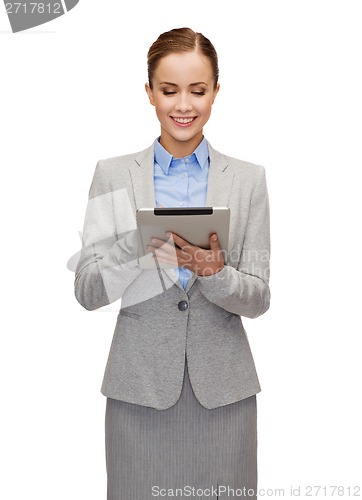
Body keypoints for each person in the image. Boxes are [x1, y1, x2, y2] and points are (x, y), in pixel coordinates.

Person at [74, 27, 270, 500]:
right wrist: (135, 253)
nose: (184, 104)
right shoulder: (114, 174)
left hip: (223, 397)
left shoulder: (247, 180)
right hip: (138, 393)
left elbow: (260, 296)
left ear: (216, 93)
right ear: (149, 93)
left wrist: (215, 273)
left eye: (198, 91)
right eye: (169, 90)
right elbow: (87, 289)